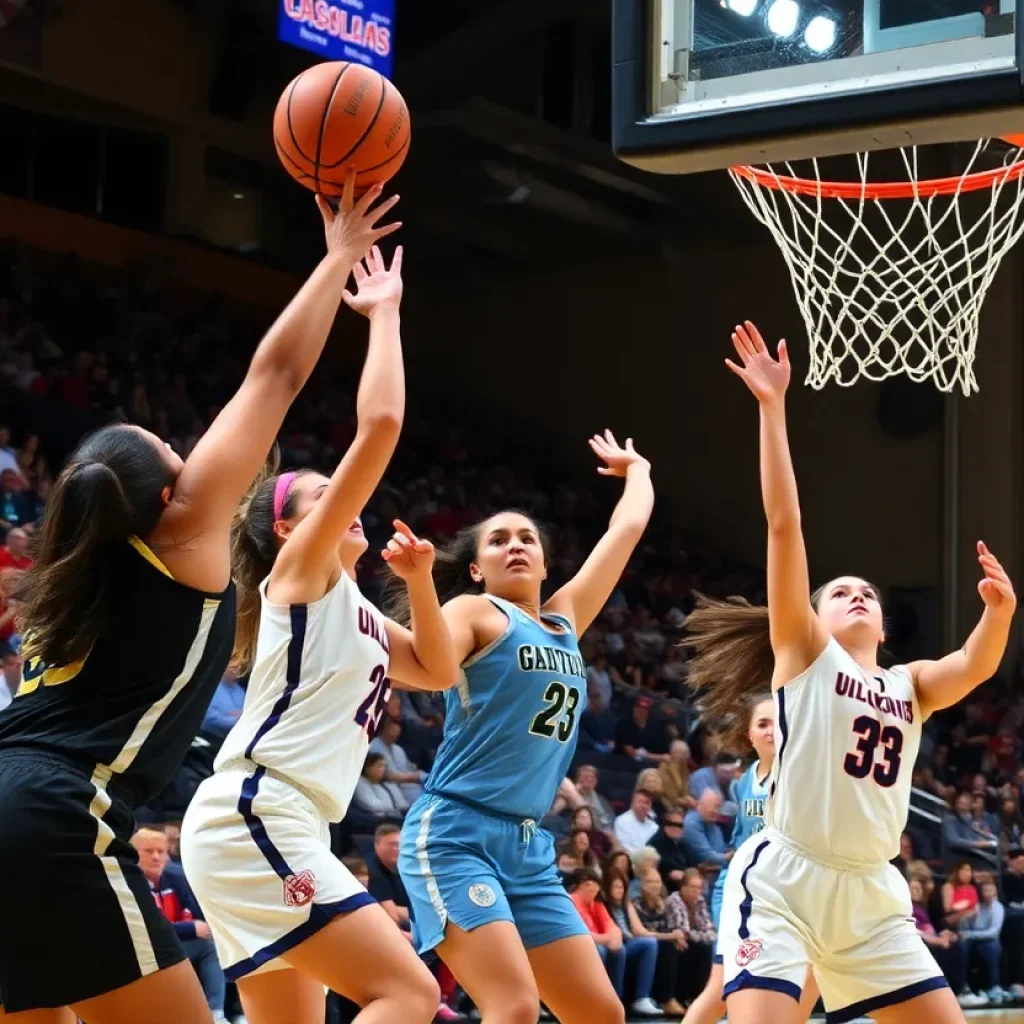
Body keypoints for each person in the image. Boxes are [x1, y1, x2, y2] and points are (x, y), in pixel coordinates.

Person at [0, 176, 401, 1021]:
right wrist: (333, 259)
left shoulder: (77, 584)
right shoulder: (178, 541)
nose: (202, 463)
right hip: (58, 814)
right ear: (168, 500)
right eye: (181, 459)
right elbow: (278, 372)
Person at [684, 321, 1016, 1024]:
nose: (857, 594)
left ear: (886, 628)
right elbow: (784, 525)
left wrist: (999, 612)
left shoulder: (910, 685)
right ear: (813, 614)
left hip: (872, 893)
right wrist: (773, 410)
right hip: (786, 879)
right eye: (840, 591)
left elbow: (975, 666)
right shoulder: (805, 654)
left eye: (868, 592)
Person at [181, 242, 451, 1024]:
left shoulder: (357, 611)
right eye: (325, 495)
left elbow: (434, 670)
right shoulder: (299, 576)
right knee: (407, 992)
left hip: (282, 820)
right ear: (290, 529)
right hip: (258, 812)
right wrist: (386, 315)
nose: (347, 500)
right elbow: (384, 422)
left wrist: (423, 584)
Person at [391, 431, 655, 1024]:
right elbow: (433, 669)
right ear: (478, 568)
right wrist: (421, 586)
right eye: (498, 540)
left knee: (601, 1013)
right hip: (457, 832)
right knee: (512, 1008)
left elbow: (625, 531)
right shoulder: (473, 611)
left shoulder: (563, 621)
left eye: (527, 538)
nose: (515, 546)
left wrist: (637, 469)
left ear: (543, 561)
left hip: (529, 845)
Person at [682, 695, 818, 1024]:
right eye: (763, 724)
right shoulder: (745, 781)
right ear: (749, 735)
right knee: (719, 991)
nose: (772, 731)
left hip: (788, 891)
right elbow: (740, 839)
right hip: (744, 893)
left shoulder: (802, 775)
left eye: (779, 723)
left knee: (811, 979)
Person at [132, 826, 226, 1021]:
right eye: (149, 851)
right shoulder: (131, 883)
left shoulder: (174, 879)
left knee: (214, 945)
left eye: (161, 852)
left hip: (174, 945)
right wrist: (191, 928)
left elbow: (201, 915)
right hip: (145, 952)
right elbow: (149, 928)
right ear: (134, 854)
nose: (156, 857)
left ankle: (216, 1014)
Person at [570, 868, 661, 1017]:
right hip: (577, 949)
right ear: (577, 886)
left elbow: (613, 927)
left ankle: (621, 1000)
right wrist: (608, 939)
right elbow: (580, 936)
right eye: (587, 884)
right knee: (600, 950)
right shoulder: (571, 901)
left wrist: (614, 938)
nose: (592, 887)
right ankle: (593, 1001)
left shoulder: (597, 904)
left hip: (603, 943)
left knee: (639, 945)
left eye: (594, 883)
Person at [959, 880, 1008, 1003]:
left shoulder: (998, 907)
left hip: (988, 939)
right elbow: (963, 929)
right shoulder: (976, 906)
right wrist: (968, 916)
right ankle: (963, 987)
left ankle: (994, 986)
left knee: (993, 947)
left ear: (995, 891)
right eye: (985, 890)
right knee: (961, 945)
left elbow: (993, 932)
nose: (988, 893)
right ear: (981, 892)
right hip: (973, 939)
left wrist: (969, 934)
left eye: (991, 890)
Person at [681, 790, 730, 869]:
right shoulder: (691, 824)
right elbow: (707, 857)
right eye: (715, 806)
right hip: (701, 874)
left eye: (719, 807)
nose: (717, 811)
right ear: (702, 805)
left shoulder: (711, 822)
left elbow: (721, 848)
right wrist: (730, 857)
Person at [614, 788, 659, 854]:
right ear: (632, 803)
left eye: (647, 803)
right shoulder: (622, 821)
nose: (643, 806)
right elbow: (624, 848)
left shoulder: (654, 826)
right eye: (640, 802)